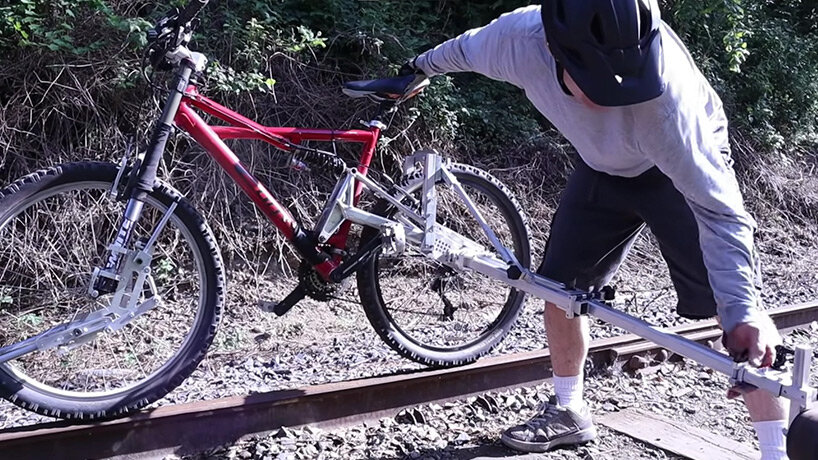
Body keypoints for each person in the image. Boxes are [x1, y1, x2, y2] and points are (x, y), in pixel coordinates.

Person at [402, 1, 789, 459]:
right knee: (559, 287)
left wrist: (743, 308)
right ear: (555, 52)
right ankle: (569, 411)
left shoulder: (668, 104)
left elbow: (720, 213)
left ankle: (775, 450)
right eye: (598, 82)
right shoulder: (517, 42)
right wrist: (415, 70)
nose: (614, 94)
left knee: (740, 316)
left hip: (674, 173)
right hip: (602, 168)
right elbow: (463, 49)